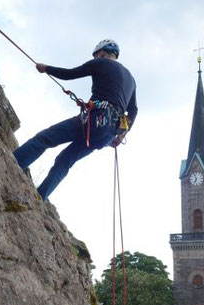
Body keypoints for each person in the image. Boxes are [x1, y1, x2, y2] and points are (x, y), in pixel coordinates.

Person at [13, 39, 138, 201]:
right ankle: (39, 199)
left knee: (44, 139)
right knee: (64, 161)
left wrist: (46, 69)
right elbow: (133, 110)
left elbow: (70, 74)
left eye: (96, 56)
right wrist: (120, 136)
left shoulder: (101, 63)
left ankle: (11, 163)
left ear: (101, 53)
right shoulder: (131, 80)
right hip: (108, 133)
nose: (96, 59)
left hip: (94, 119)